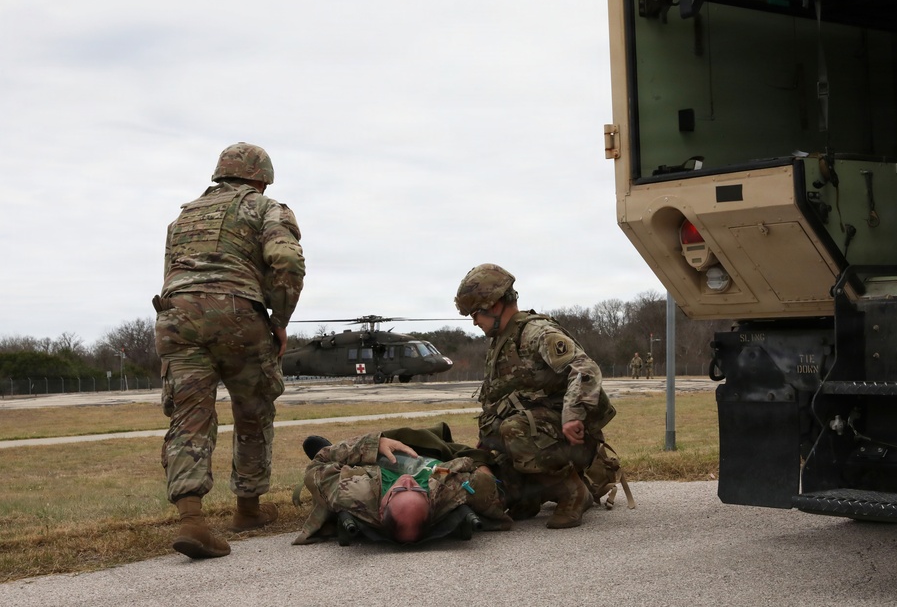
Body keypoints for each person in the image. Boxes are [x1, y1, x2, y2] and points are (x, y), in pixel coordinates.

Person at [154, 142, 305, 559]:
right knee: (253, 409)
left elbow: (171, 271)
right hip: (237, 312)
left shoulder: (183, 216)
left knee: (188, 415)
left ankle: (192, 521)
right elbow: (287, 261)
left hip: (176, 315)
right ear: (261, 177)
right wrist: (279, 318)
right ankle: (248, 509)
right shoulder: (265, 207)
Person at [455, 263, 616, 529]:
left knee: (513, 428)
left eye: (476, 313)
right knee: (494, 472)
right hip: (537, 435)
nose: (474, 321)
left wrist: (572, 416)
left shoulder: (535, 333)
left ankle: (574, 493)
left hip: (569, 438)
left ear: (494, 305)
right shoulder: (500, 341)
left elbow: (584, 368)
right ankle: (532, 495)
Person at [293, 423, 511, 545]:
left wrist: (373, 444)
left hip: (377, 458)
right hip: (434, 453)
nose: (408, 481)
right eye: (417, 490)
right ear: (430, 503)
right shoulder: (448, 494)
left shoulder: (354, 491)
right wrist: (484, 470)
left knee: (318, 447)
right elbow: (490, 490)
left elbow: (317, 464)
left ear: (381, 508)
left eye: (398, 491)